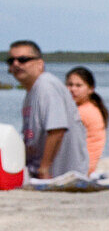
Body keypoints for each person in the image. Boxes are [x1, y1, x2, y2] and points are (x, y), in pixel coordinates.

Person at [7, 40, 89, 178]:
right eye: (11, 61)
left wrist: (44, 168)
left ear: (40, 64)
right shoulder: (32, 90)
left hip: (60, 174)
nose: (16, 64)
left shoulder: (46, 86)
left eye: (23, 59)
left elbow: (57, 130)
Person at [66, 66, 109, 173]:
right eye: (69, 85)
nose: (73, 89)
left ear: (90, 89)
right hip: (88, 166)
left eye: (78, 85)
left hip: (81, 168)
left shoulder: (83, 112)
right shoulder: (93, 107)